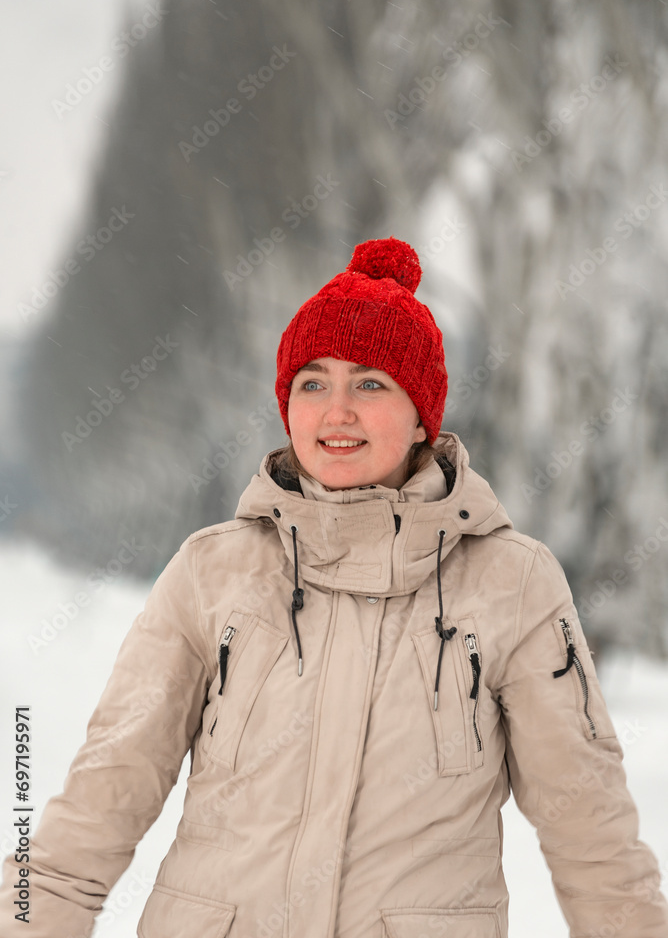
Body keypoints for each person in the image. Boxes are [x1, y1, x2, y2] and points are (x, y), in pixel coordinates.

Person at [1, 237, 666, 938]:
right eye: (312, 382)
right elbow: (97, 806)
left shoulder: (512, 584)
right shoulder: (213, 571)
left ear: (421, 418)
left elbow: (593, 837)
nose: (336, 410)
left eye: (370, 382)